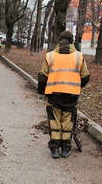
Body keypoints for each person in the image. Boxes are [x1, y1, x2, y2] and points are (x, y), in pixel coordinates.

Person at [37, 31, 90, 159]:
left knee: (54, 121)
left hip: (54, 94)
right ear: (71, 42)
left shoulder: (50, 56)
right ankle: (66, 147)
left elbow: (43, 76)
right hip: (71, 96)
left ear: (59, 42)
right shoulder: (79, 56)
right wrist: (76, 86)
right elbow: (86, 76)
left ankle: (54, 148)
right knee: (67, 120)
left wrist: (41, 92)